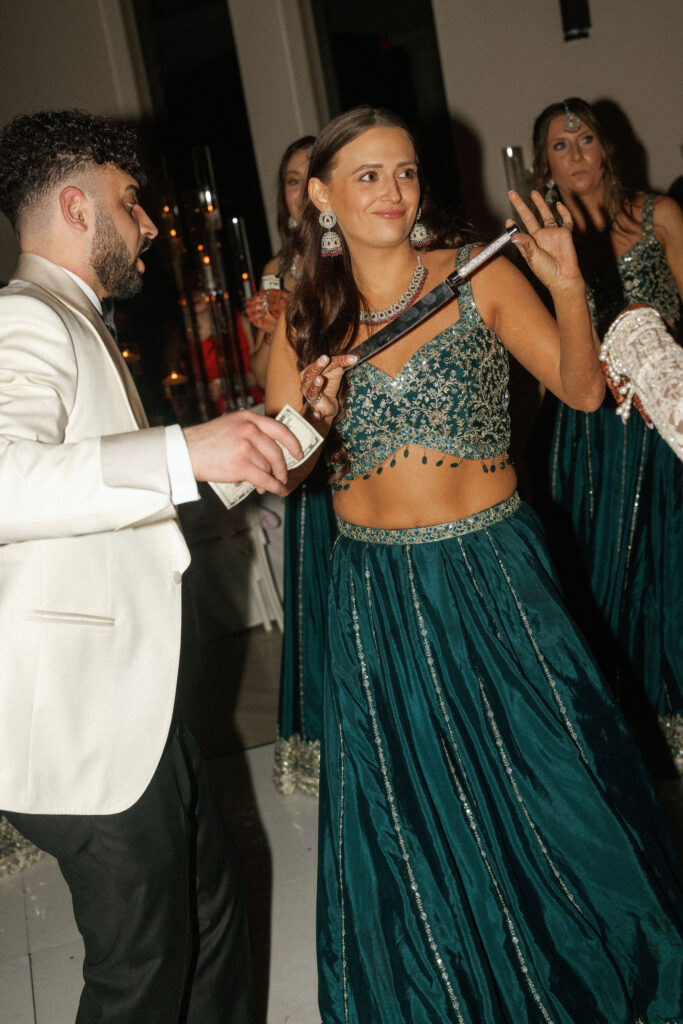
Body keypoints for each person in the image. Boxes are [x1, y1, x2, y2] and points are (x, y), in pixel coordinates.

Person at [266, 106, 683, 1024]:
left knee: (564, 780)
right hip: (376, 590)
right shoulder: (301, 320)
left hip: (497, 569)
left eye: (405, 172)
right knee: (412, 814)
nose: (392, 191)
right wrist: (315, 416)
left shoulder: (474, 276)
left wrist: (570, 285)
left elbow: (579, 390)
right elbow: (286, 472)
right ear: (323, 198)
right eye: (367, 175)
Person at [0, 109, 302, 1024]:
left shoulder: (75, 319)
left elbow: (112, 499)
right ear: (74, 206)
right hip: (81, 719)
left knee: (209, 923)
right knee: (141, 969)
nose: (148, 225)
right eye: (131, 204)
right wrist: (184, 448)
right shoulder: (26, 316)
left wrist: (263, 441)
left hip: (139, 695)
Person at [531, 98, 683, 771]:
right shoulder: (539, 245)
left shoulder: (659, 217)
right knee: (602, 571)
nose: (576, 153)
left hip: (664, 419)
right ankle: (625, 725)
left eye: (584, 137)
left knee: (671, 562)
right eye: (560, 146)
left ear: (605, 147)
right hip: (586, 430)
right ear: (544, 165)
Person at [246, 136, 336, 796]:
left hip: (371, 442)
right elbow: (262, 379)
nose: (299, 190)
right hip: (311, 451)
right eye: (288, 180)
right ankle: (328, 735)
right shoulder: (277, 267)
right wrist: (266, 332)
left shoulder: (361, 244)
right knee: (322, 594)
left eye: (310, 177)